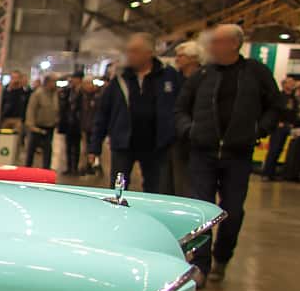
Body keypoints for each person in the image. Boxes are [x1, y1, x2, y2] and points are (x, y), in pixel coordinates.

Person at [176, 22, 286, 284]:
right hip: (203, 152)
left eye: (217, 42)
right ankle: (200, 265)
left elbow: (275, 106)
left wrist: (259, 130)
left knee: (233, 210)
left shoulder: (255, 73)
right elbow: (180, 108)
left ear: (234, 44)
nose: (211, 47)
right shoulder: (203, 75)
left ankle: (223, 256)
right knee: (202, 211)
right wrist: (190, 131)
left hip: (238, 154)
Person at [88, 33, 182, 193]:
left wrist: (172, 134)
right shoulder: (120, 78)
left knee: (156, 190)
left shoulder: (168, 76)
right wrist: (95, 146)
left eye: (135, 51)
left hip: (156, 145)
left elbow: (179, 107)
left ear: (149, 53)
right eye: (129, 51)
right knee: (118, 189)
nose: (130, 55)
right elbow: (103, 113)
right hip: (124, 144)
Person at [169, 40, 203, 196]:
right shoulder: (174, 79)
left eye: (180, 56)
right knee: (178, 179)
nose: (177, 59)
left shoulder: (206, 78)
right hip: (177, 136)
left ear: (193, 58)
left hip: (199, 136)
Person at [22, 76, 59, 169]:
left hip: (49, 126)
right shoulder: (38, 94)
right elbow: (31, 109)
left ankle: (46, 168)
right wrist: (31, 125)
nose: (54, 84)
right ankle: (28, 167)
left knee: (48, 148)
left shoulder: (55, 94)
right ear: (47, 83)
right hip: (37, 126)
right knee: (32, 148)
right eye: (53, 82)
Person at [59, 75, 87, 173]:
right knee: (68, 146)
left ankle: (75, 167)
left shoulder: (83, 92)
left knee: (77, 146)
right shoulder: (68, 91)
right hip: (68, 123)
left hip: (77, 123)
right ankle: (69, 166)